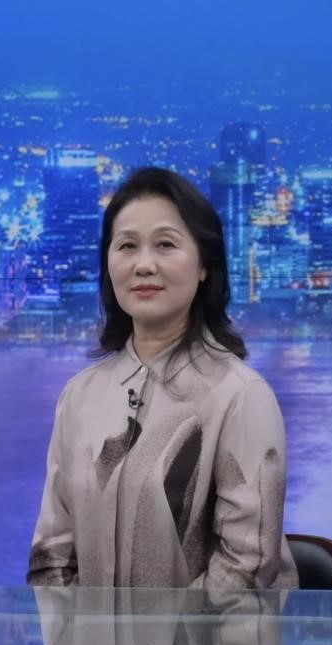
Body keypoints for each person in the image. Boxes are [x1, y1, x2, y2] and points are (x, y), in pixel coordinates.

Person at [26, 167, 298, 591]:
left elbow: (246, 568)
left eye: (166, 245)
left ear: (204, 265)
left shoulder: (241, 397)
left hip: (212, 636)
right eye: (127, 246)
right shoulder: (79, 396)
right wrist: (72, 632)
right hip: (88, 637)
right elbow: (53, 555)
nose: (144, 264)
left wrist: (152, 636)